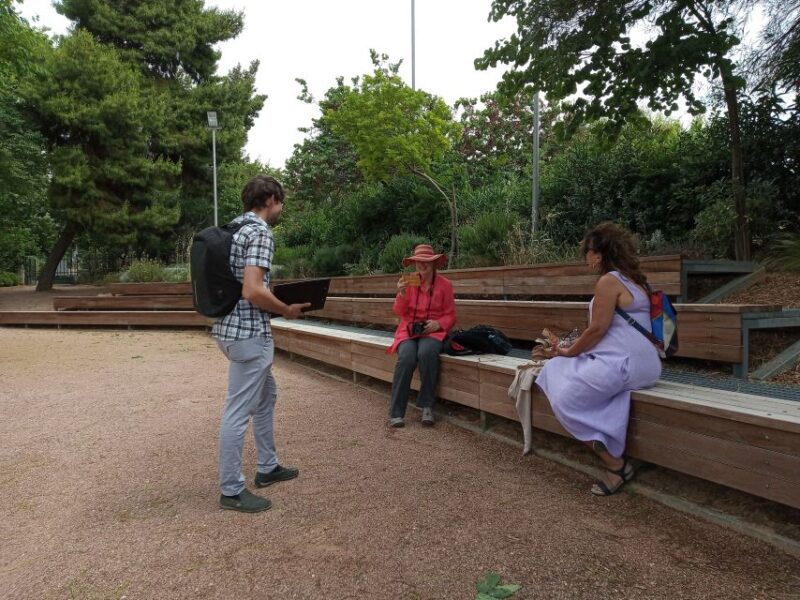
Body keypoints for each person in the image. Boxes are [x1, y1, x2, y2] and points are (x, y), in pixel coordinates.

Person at [535, 222, 662, 496]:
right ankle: (611, 439)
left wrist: (569, 351)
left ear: (598, 254)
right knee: (567, 371)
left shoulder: (609, 281)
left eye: (588, 253)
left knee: (560, 389)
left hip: (622, 364)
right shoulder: (638, 281)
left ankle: (615, 465)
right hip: (648, 366)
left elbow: (597, 330)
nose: (586, 259)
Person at [212, 175, 311, 513]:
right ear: (270, 200)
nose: (281, 208)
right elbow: (253, 290)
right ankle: (231, 490)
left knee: (266, 396)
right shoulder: (260, 232)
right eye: (281, 202)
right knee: (238, 411)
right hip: (249, 336)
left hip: (229, 329)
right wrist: (286, 309)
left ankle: (268, 467)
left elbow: (244, 283)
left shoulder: (234, 229)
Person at [387, 244, 457, 428]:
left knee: (427, 353)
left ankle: (427, 406)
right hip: (409, 330)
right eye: (418, 261)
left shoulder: (445, 285)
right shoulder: (409, 281)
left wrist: (439, 324)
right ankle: (396, 412)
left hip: (433, 331)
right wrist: (401, 294)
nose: (422, 265)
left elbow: (451, 315)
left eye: (426, 262)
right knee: (407, 357)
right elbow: (399, 312)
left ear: (434, 264)